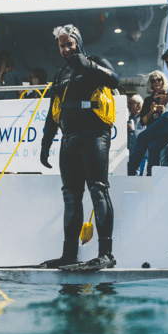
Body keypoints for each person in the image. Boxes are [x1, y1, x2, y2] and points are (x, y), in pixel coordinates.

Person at [39, 24, 120, 271]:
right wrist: (46, 143)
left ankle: (106, 254)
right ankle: (69, 254)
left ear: (78, 42)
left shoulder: (94, 61)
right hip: (69, 140)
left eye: (69, 44)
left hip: (94, 135)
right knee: (71, 197)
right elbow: (53, 114)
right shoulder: (61, 73)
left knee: (97, 190)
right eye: (61, 46)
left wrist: (89, 65)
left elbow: (115, 80)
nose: (65, 49)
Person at [127, 48, 168, 176]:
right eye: (167, 62)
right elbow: (142, 121)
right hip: (167, 120)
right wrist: (152, 111)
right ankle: (151, 178)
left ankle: (130, 173)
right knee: (153, 147)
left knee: (142, 138)